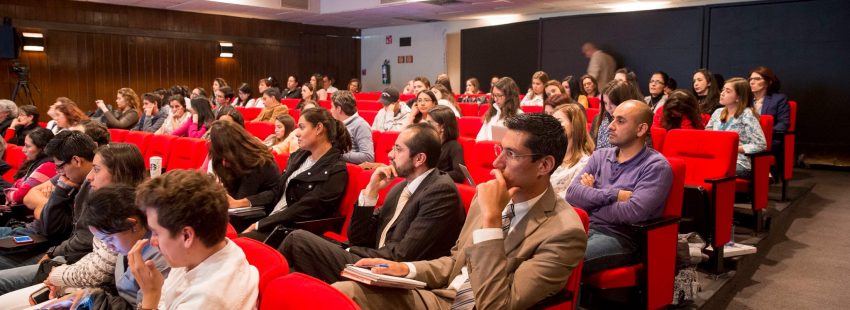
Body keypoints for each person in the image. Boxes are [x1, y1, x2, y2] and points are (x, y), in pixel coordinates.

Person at [334, 113, 587, 310]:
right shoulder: (484, 198)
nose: (496, 163)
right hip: (441, 297)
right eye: (500, 150)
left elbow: (498, 305)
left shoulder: (564, 233)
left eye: (510, 154)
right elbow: (456, 262)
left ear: (544, 165)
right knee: (343, 292)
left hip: (476, 305)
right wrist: (407, 269)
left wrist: (491, 221)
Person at [280, 122, 465, 283]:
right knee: (297, 254)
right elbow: (358, 237)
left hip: (391, 274)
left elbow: (402, 255)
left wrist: (351, 250)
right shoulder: (400, 188)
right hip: (373, 261)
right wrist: (370, 192)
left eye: (398, 149)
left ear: (419, 159)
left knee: (298, 241)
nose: (390, 155)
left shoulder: (440, 192)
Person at [565, 100, 673, 276]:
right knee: (536, 250)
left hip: (620, 237)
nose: (610, 126)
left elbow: (632, 212)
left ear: (641, 129)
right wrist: (615, 194)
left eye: (620, 121)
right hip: (583, 227)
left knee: (562, 261)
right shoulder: (600, 156)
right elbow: (573, 194)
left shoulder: (656, 166)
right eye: (612, 119)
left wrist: (591, 199)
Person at [131, 170, 259, 310]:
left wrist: (150, 296)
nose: (152, 241)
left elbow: (160, 302)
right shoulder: (196, 255)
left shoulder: (208, 299)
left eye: (156, 233)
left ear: (187, 236)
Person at [30, 185, 170, 309]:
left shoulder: (157, 259)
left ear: (132, 224)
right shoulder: (127, 243)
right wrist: (88, 294)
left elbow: (147, 304)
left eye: (109, 239)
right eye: (104, 241)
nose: (108, 246)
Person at [0, 131, 97, 294]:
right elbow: (29, 196)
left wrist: (58, 192)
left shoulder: (93, 186)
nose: (58, 172)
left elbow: (54, 229)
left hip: (54, 249)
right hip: (37, 236)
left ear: (76, 160)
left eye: (59, 166)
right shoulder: (70, 176)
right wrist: (52, 200)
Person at [240, 108, 351, 241]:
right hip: (271, 219)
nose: (296, 133)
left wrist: (260, 224)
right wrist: (243, 202)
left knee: (235, 245)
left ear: (318, 129)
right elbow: (277, 191)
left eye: (302, 127)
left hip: (292, 231)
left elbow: (305, 208)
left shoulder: (336, 170)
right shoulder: (299, 156)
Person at [208, 120, 281, 211]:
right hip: (244, 209)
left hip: (262, 212)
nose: (224, 162)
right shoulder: (231, 160)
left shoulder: (259, 162)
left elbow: (238, 201)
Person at [706, 77, 767, 178]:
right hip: (716, 157)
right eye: (723, 90)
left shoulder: (747, 114)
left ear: (738, 97)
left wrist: (734, 149)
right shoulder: (718, 112)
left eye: (728, 91)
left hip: (740, 162)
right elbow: (707, 136)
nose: (722, 93)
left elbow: (760, 145)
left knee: (713, 169)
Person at [3, 128, 55, 209]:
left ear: (42, 148)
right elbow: (17, 183)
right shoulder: (36, 162)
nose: (23, 150)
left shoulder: (48, 166)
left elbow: (19, 196)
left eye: (28, 146)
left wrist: (9, 194)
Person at [550, 104, 594, 198]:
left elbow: (570, 196)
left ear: (574, 125)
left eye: (559, 121)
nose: (553, 126)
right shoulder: (549, 155)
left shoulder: (585, 162)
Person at [591, 80, 643, 149]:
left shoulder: (636, 122)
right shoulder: (598, 119)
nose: (608, 108)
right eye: (605, 103)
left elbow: (644, 151)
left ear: (623, 101)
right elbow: (591, 146)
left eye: (612, 103)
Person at [750, 66, 790, 148]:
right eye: (750, 79)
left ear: (769, 82)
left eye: (757, 79)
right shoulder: (746, 100)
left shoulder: (778, 99)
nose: (752, 82)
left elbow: (783, 123)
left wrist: (762, 133)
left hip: (769, 139)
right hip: (747, 139)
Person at [331, 91, 374, 164]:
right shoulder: (336, 123)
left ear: (339, 109)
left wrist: (338, 154)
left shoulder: (361, 125)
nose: (330, 110)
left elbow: (368, 157)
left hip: (348, 169)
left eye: (332, 107)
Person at [476, 77, 523, 141]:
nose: (495, 99)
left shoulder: (519, 115)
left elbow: (519, 143)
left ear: (510, 96)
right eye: (494, 95)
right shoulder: (492, 112)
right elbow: (480, 137)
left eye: (499, 95)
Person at [427, 106, 466, 183]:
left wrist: (433, 175)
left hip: (441, 186)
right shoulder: (428, 142)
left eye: (430, 123)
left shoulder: (454, 146)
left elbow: (459, 175)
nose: (426, 126)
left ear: (442, 127)